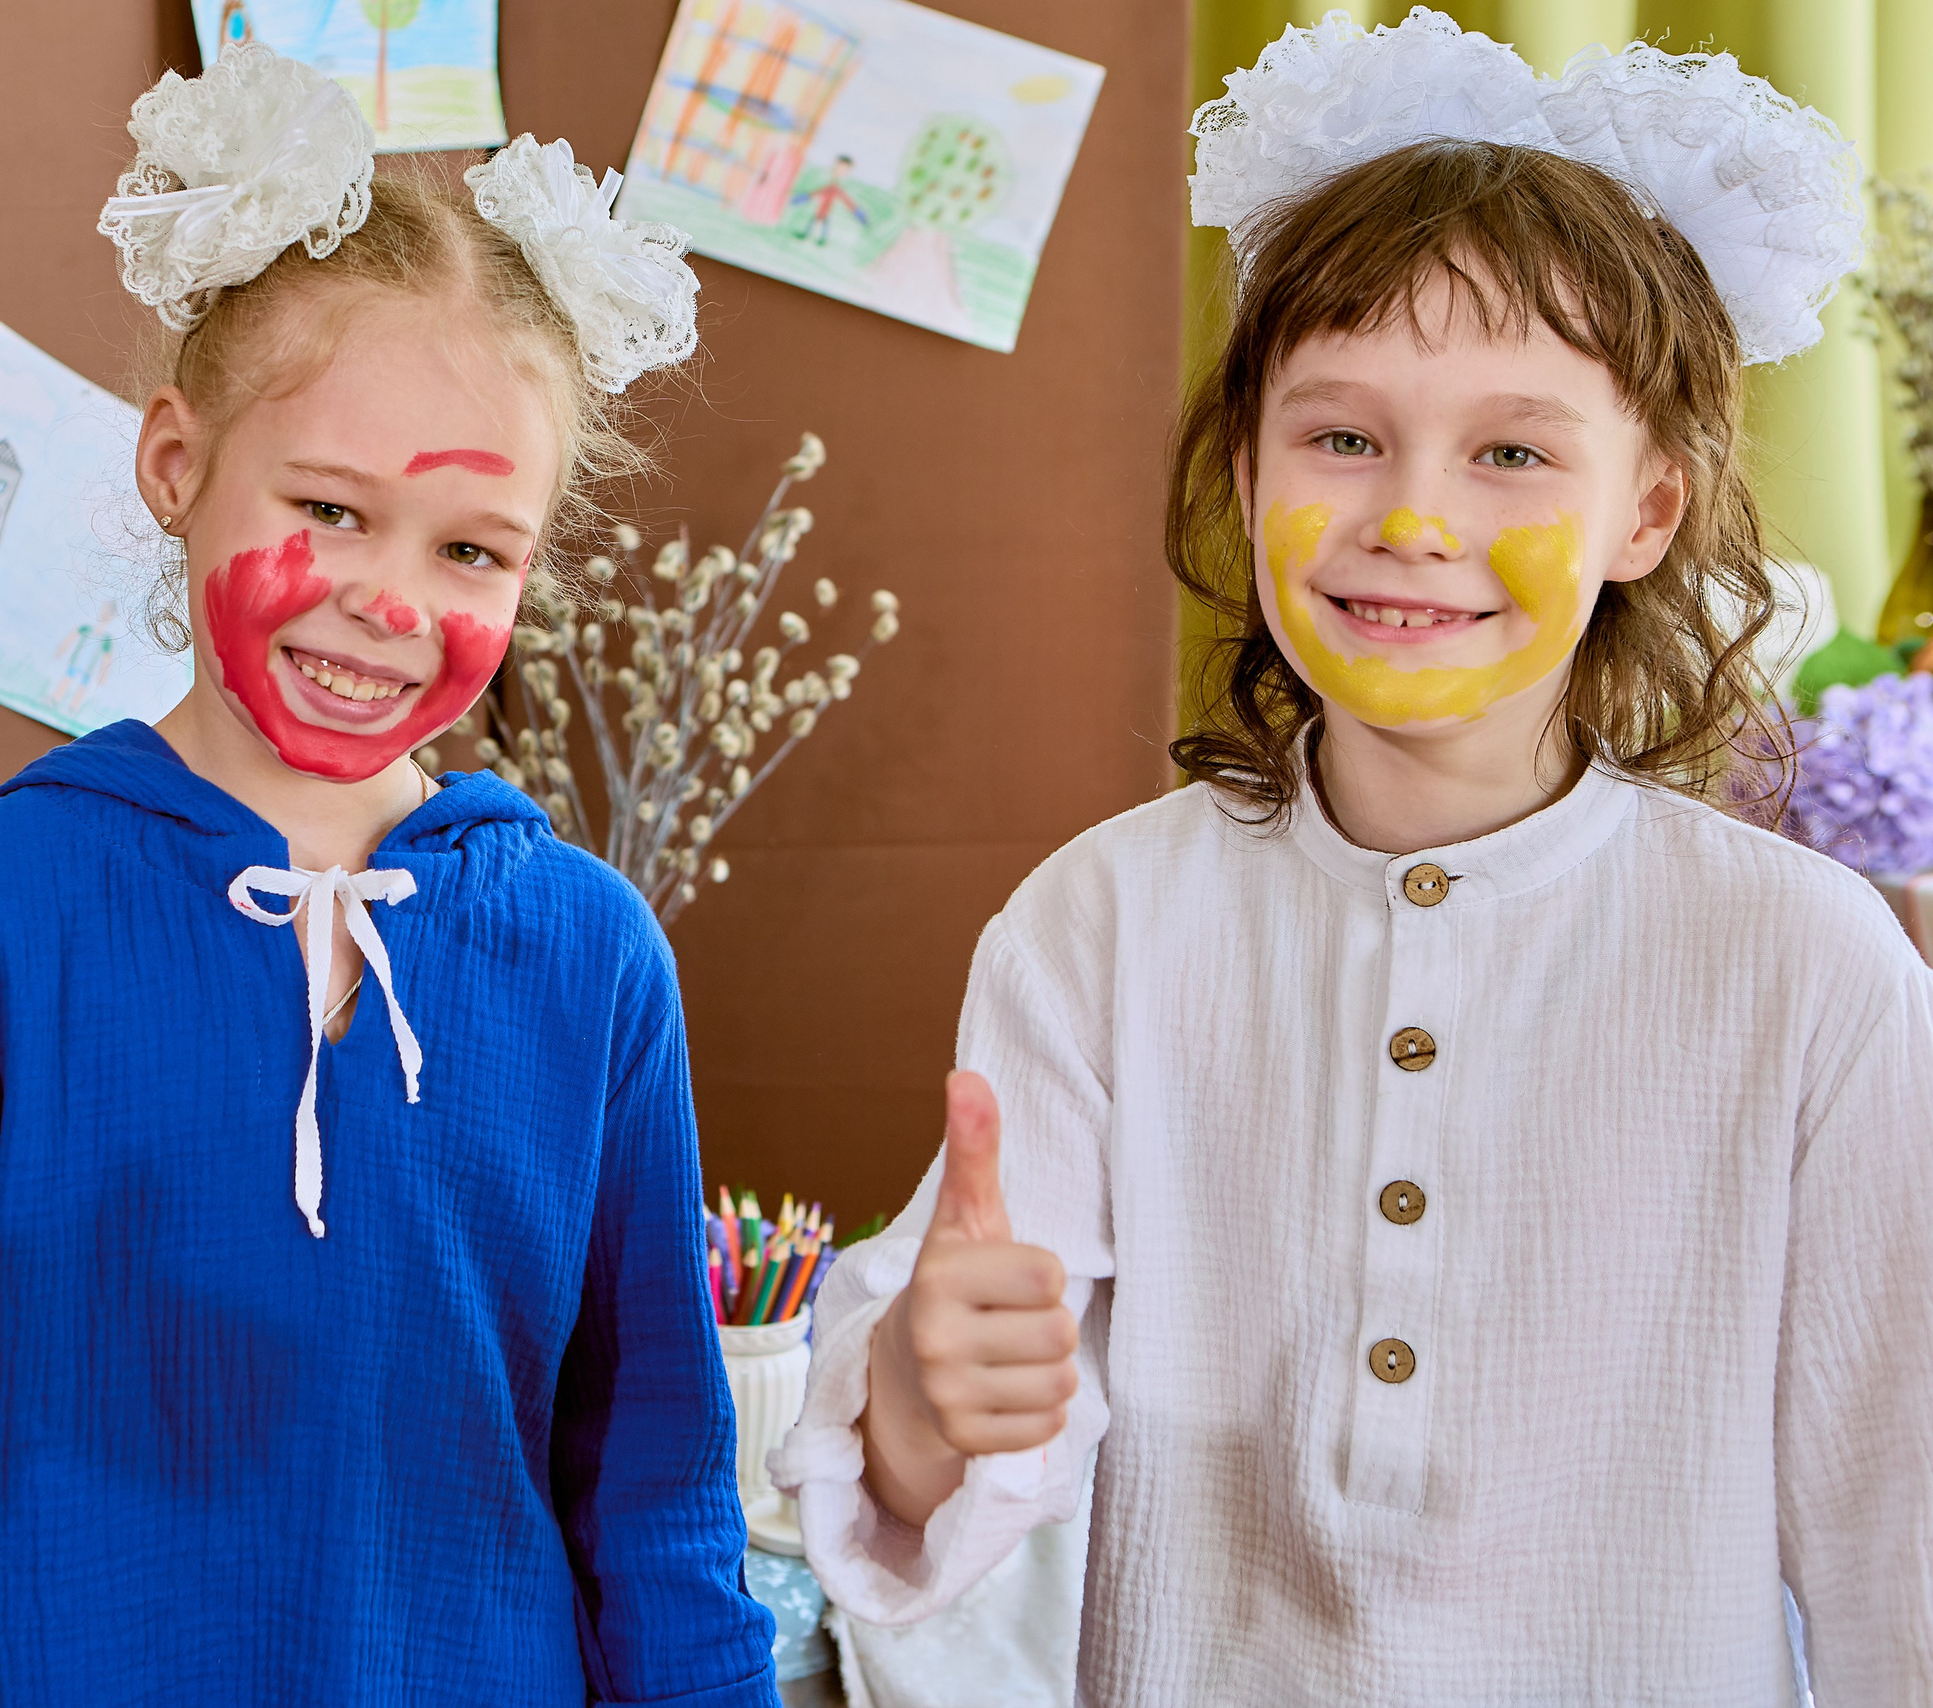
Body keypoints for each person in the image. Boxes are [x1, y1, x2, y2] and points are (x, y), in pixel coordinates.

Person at [0, 46, 774, 1706]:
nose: (391, 601)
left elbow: (659, 1501)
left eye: (468, 549)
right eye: (330, 510)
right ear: (175, 467)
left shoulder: (592, 956)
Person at [772, 14, 1932, 1705]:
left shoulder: (1813, 969)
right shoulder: (1099, 924)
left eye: (1514, 453)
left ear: (1649, 514)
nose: (1413, 517)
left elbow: (1903, 1527)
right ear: (1246, 474)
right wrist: (920, 1402)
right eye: (1342, 436)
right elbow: (937, 1476)